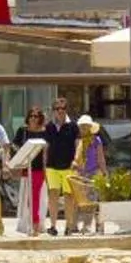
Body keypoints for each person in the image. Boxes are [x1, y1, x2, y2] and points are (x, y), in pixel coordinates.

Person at [10, 108, 49, 235]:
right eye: (31, 115)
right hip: (26, 168)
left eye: (36, 116)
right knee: (27, 197)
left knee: (35, 197)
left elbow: (47, 151)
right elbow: (14, 145)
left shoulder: (45, 132)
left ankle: (36, 225)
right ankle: (29, 224)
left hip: (39, 169)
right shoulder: (23, 131)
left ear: (40, 118)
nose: (33, 118)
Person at [43, 98, 79, 235]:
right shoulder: (49, 127)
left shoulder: (73, 126)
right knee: (53, 195)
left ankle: (69, 226)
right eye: (58, 109)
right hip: (52, 166)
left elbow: (78, 144)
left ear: (66, 110)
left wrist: (76, 160)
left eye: (63, 109)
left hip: (68, 166)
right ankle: (53, 226)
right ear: (54, 111)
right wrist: (44, 164)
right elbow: (46, 147)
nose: (60, 111)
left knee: (69, 196)